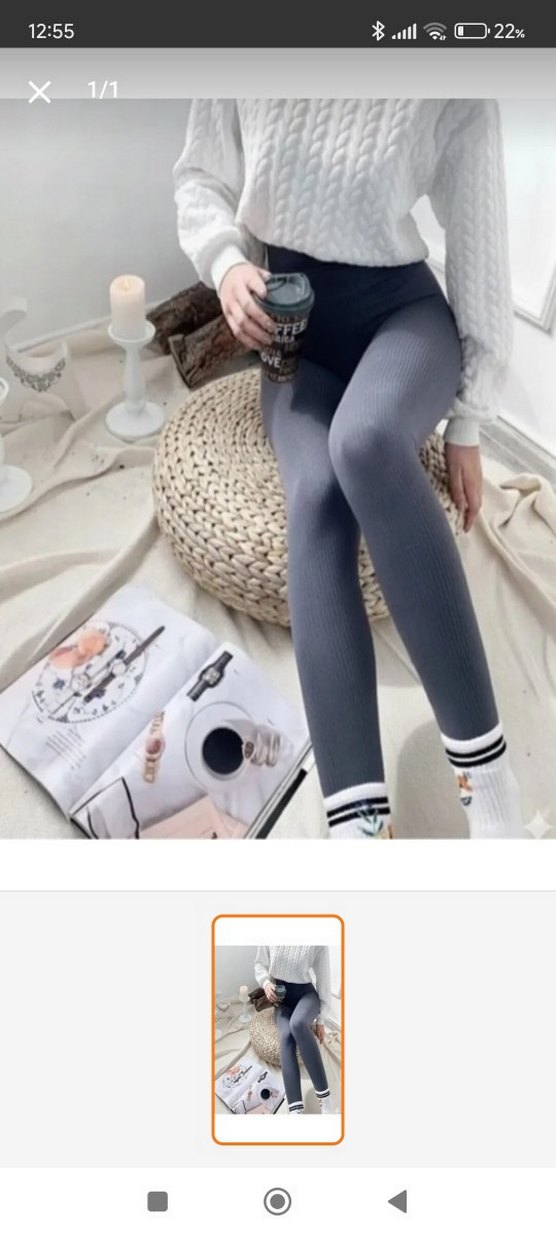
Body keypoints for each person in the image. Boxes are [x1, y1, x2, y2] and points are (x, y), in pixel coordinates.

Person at [173, 98, 525, 839]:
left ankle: (493, 803)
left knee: (364, 442)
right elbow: (201, 177)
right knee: (318, 495)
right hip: (291, 334)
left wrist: (467, 422)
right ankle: (359, 832)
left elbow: (481, 241)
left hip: (402, 317)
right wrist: (227, 265)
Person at [254, 944, 333, 1115]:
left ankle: (326, 1100)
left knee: (297, 1024)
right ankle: (296, 1111)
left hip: (306, 996)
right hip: (281, 999)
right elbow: (259, 964)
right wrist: (266, 984)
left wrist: (321, 1020)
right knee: (286, 1035)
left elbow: (324, 980)